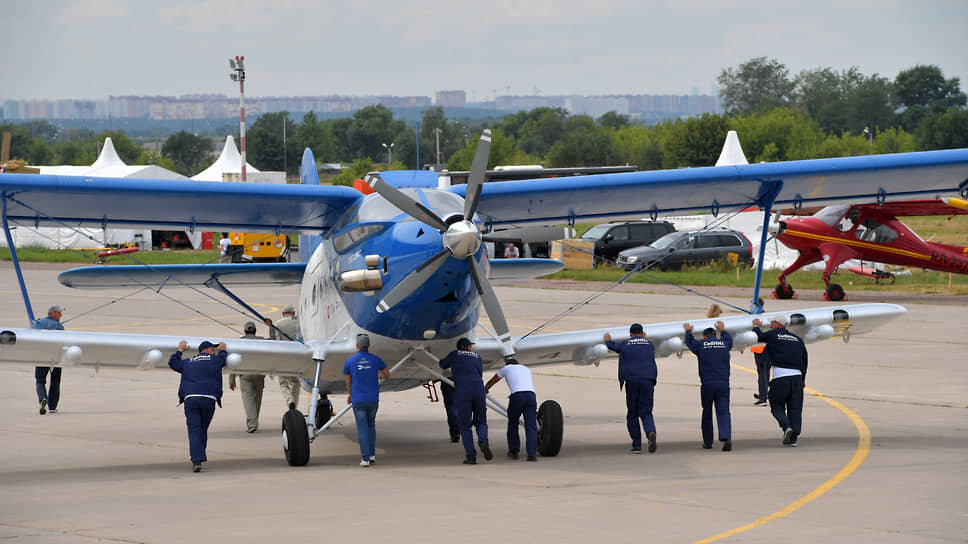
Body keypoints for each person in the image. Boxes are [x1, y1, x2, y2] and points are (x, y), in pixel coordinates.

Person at [169, 340, 228, 472]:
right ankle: (198, 457)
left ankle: (197, 459)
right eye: (213, 349)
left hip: (191, 399)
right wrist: (223, 349)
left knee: (194, 429)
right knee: (202, 428)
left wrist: (180, 350)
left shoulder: (188, 362)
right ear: (205, 350)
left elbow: (173, 363)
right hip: (208, 399)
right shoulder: (215, 360)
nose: (214, 352)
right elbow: (224, 359)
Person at [751, 315, 809, 447]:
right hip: (797, 378)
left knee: (776, 405)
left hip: (780, 378)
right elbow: (805, 360)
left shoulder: (774, 335)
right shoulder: (797, 339)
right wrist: (803, 379)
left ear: (777, 324)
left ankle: (786, 426)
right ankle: (793, 439)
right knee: (795, 409)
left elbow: (758, 337)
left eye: (772, 323)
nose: (771, 326)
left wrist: (756, 326)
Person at [604, 324, 658, 454]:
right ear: (643, 333)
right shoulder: (649, 344)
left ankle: (637, 445)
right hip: (648, 379)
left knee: (632, 413)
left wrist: (607, 339)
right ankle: (650, 432)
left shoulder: (625, 344)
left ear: (630, 334)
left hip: (632, 380)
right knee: (646, 412)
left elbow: (612, 346)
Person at [439, 338, 493, 464]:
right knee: (481, 422)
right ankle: (483, 441)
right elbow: (479, 372)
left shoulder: (454, 354)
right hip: (478, 388)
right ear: (468, 347)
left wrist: (443, 359)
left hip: (463, 389)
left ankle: (471, 456)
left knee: (465, 426)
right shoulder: (477, 356)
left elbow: (443, 365)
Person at [683, 321, 733, 451]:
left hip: (708, 383)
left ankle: (708, 441)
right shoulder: (724, 344)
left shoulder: (701, 345)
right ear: (715, 336)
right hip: (723, 383)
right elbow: (729, 340)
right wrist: (723, 329)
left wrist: (688, 331)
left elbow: (690, 343)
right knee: (723, 412)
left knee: (707, 413)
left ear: (705, 336)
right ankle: (726, 436)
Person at [343, 334, 390, 467]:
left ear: (357, 346)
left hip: (358, 399)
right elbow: (387, 374)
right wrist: (379, 375)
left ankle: (365, 459)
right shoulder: (376, 360)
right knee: (371, 426)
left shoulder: (350, 361)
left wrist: (350, 395)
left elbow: (348, 381)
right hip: (373, 399)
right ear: (368, 346)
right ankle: (372, 455)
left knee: (362, 428)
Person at [485, 358, 538, 461]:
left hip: (517, 396)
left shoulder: (506, 368)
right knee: (531, 426)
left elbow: (494, 380)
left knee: (513, 423)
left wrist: (486, 388)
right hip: (531, 396)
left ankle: (514, 451)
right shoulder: (526, 368)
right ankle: (532, 454)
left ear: (507, 364)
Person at [228, 321, 267, 433]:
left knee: (248, 399)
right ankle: (254, 421)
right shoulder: (263, 341)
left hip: (245, 375)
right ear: (255, 331)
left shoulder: (239, 342)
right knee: (257, 399)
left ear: (244, 331)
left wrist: (232, 380)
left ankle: (252, 423)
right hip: (259, 374)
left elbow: (233, 361)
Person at [269, 304, 302, 409]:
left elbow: (276, 342)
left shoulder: (278, 324)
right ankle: (294, 406)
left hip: (284, 357)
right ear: (294, 313)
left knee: (283, 383)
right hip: (297, 357)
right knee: (296, 383)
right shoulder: (299, 324)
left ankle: (289, 399)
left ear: (283, 314)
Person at [34, 304, 66, 415]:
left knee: (40, 380)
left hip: (41, 356)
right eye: (59, 312)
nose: (61, 315)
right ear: (52, 313)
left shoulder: (39, 323)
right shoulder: (59, 327)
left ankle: (42, 398)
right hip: (56, 357)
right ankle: (52, 406)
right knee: (55, 381)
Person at [751, 298, 770, 406]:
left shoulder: (762, 317)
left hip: (762, 349)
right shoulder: (758, 316)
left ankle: (763, 398)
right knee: (764, 374)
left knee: (762, 374)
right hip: (759, 349)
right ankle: (764, 393)